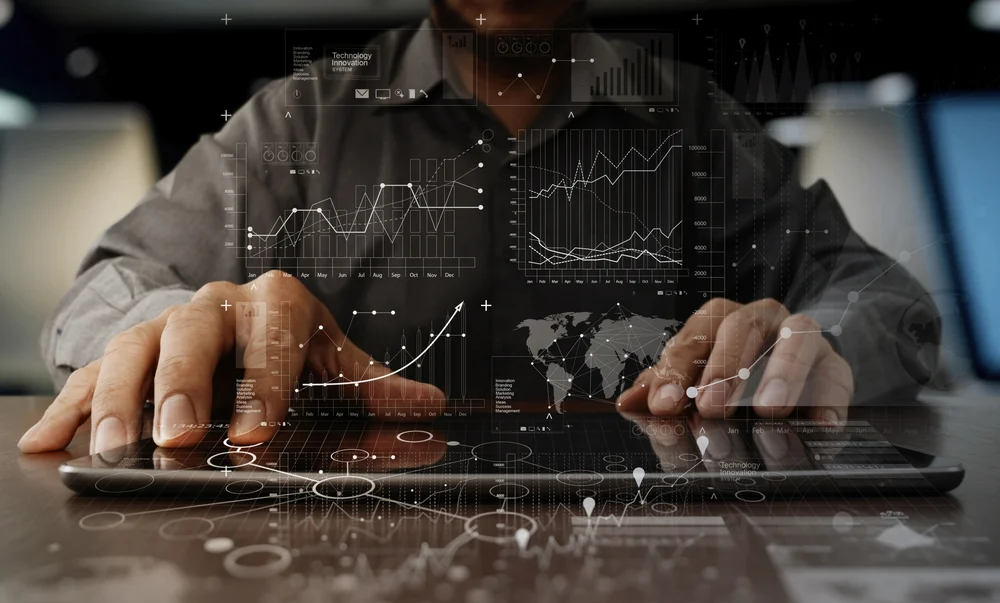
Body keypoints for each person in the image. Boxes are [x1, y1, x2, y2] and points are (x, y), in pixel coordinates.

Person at [18, 0, 939, 455]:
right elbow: (110, 288)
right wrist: (185, 324)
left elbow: (880, 297)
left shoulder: (697, 123)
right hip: (338, 574)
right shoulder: (296, 119)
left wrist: (811, 344)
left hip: (645, 569)